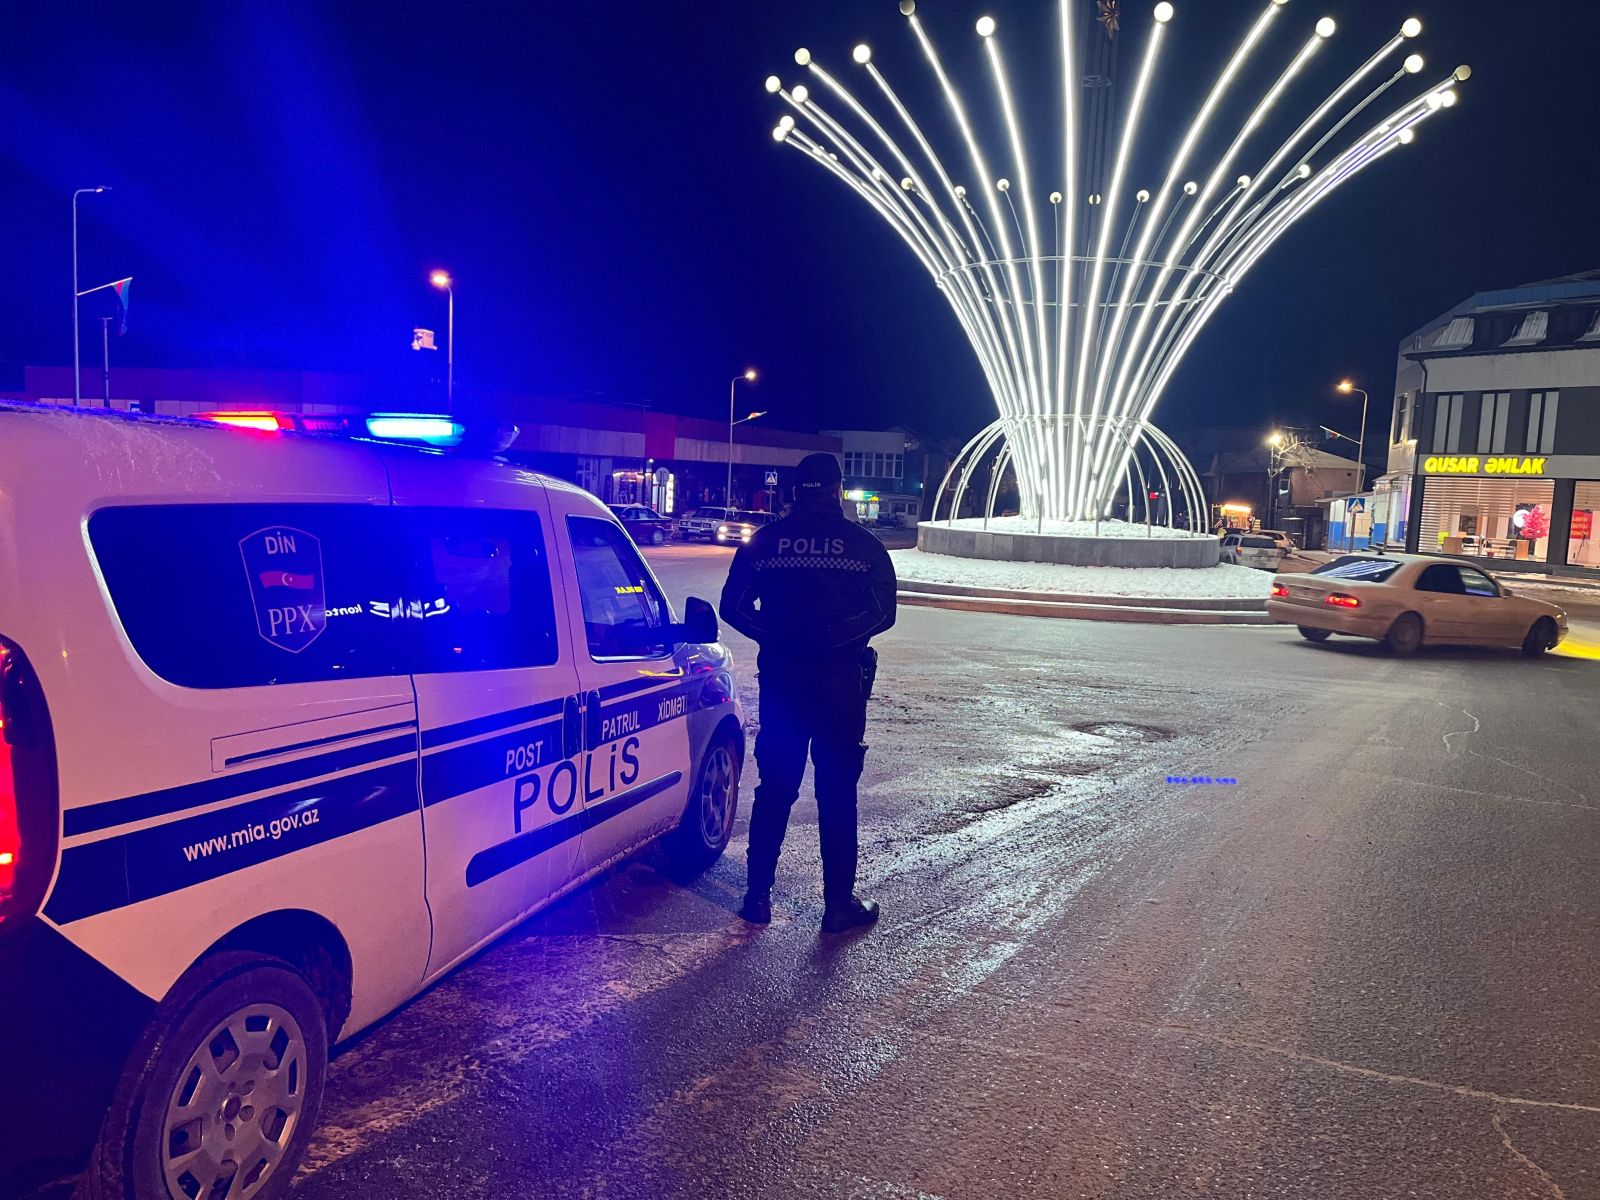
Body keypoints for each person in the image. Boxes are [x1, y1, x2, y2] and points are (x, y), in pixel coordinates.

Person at [719, 452, 897, 934]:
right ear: (838, 490)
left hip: (784, 684)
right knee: (837, 792)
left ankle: (756, 898)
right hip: (841, 688)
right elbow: (884, 613)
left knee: (776, 787)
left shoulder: (765, 542)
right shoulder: (863, 546)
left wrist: (779, 637)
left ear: (795, 491)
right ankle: (838, 906)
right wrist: (834, 639)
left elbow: (733, 606)